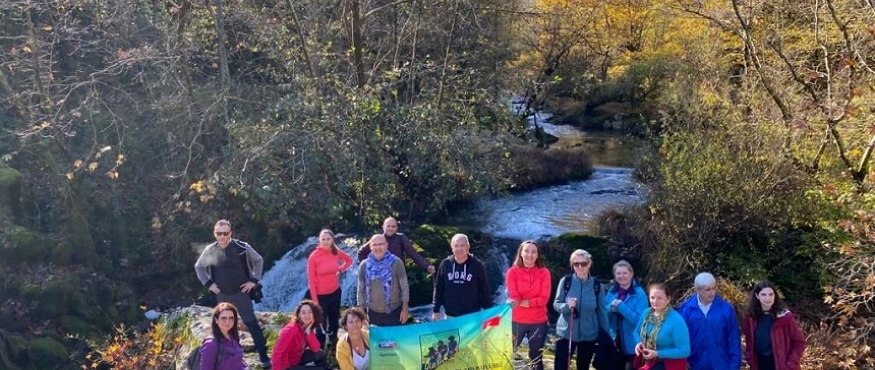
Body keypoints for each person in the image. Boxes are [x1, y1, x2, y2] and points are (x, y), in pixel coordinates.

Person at [195, 219, 271, 368]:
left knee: (251, 323)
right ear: (214, 234)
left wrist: (254, 280)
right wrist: (209, 284)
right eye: (219, 233)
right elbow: (199, 267)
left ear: (230, 233)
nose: (222, 236)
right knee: (223, 326)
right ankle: (228, 356)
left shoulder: (242, 247)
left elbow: (259, 260)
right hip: (222, 294)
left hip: (241, 293)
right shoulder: (210, 250)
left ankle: (263, 356)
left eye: (225, 233)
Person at [553, 249, 611, 370]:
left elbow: (601, 311)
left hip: (589, 335)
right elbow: (556, 304)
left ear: (589, 264)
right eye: (576, 264)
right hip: (566, 334)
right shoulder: (566, 282)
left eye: (583, 263)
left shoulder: (596, 285)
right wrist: (567, 306)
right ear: (572, 265)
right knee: (561, 367)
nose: (580, 267)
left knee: (583, 367)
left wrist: (606, 337)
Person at [678, 272, 742, 370]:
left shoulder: (726, 309)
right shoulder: (686, 309)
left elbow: (734, 341)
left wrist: (733, 366)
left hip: (721, 366)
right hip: (694, 365)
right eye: (707, 290)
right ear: (697, 290)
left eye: (713, 288)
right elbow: (680, 339)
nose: (712, 292)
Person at [506, 240, 551, 370]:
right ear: (520, 253)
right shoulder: (512, 272)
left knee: (536, 356)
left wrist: (522, 302)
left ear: (537, 255)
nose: (529, 255)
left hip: (538, 322)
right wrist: (522, 302)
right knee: (506, 354)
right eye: (526, 251)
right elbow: (514, 296)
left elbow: (543, 299)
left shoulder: (544, 272)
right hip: (516, 321)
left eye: (533, 252)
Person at [741, 281, 806, 370]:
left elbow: (800, 342)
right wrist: (749, 357)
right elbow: (749, 340)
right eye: (763, 294)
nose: (768, 298)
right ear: (757, 296)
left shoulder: (785, 317)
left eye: (771, 294)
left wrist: (791, 362)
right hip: (759, 364)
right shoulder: (751, 318)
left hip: (782, 365)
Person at [307, 229, 353, 346]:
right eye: (323, 239)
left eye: (328, 239)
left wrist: (340, 269)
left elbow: (349, 260)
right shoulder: (314, 257)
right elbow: (311, 281)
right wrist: (315, 302)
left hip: (335, 292)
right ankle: (320, 349)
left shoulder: (335, 252)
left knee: (334, 320)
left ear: (332, 239)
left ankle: (334, 343)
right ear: (319, 240)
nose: (326, 241)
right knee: (321, 323)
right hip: (320, 295)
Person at [432, 234, 493, 320]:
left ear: (468, 247)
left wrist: (489, 312)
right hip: (450, 316)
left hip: (472, 316)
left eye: (462, 245)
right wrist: (435, 310)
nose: (459, 249)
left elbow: (484, 289)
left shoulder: (477, 265)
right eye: (456, 246)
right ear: (452, 248)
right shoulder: (445, 264)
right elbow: (438, 288)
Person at [357, 234, 410, 326]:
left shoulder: (396, 262)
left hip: (394, 312)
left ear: (386, 245)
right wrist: (361, 312)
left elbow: (404, 287)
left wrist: (405, 309)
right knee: (374, 340)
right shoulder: (364, 265)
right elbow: (360, 289)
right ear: (370, 246)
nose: (378, 247)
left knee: (395, 340)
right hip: (372, 313)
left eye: (380, 244)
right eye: (374, 245)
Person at [634, 283, 690, 370]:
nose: (655, 301)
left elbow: (685, 351)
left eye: (659, 298)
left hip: (670, 365)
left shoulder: (677, 321)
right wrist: (639, 342)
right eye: (652, 297)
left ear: (668, 299)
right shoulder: (646, 313)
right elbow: (636, 332)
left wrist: (657, 353)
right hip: (649, 362)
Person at [604, 260, 648, 370]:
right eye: (618, 273)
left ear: (631, 274)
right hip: (614, 341)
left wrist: (621, 307)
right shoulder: (612, 292)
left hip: (633, 345)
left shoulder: (639, 294)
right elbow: (602, 311)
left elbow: (640, 321)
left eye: (624, 273)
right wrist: (611, 308)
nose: (621, 276)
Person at [357, 217, 435, 274]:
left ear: (396, 228)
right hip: (379, 275)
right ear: (383, 227)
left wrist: (427, 267)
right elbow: (361, 252)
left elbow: (413, 254)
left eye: (393, 226)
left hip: (396, 274)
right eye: (388, 226)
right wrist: (368, 269)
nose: (390, 229)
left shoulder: (401, 238)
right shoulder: (378, 239)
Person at [272, 300, 330, 370]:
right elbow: (277, 352)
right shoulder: (290, 330)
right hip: (286, 366)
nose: (307, 315)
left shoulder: (307, 327)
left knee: (319, 354)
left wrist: (308, 332)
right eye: (303, 312)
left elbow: (315, 348)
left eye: (310, 312)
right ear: (298, 315)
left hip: (296, 359)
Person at [200, 302, 247, 370]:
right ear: (216, 320)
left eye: (231, 318)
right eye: (223, 318)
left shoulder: (233, 337)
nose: (227, 321)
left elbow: (238, 361)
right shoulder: (211, 344)